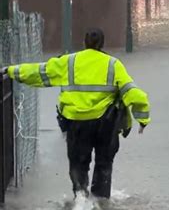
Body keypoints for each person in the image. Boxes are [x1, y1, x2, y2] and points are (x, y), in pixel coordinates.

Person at [1, 28, 151, 198]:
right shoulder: (113, 64)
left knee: (79, 165)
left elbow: (39, 72)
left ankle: (80, 202)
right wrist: (143, 118)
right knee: (104, 164)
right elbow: (133, 92)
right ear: (103, 44)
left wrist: (11, 70)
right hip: (106, 124)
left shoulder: (69, 62)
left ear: (84, 43)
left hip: (77, 123)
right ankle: (101, 205)